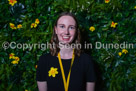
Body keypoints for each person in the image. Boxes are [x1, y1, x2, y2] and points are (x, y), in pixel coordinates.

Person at [36, 12, 96, 91]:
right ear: (56, 30)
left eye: (71, 27)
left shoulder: (86, 60)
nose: (66, 32)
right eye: (62, 26)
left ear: (76, 31)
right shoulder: (44, 61)